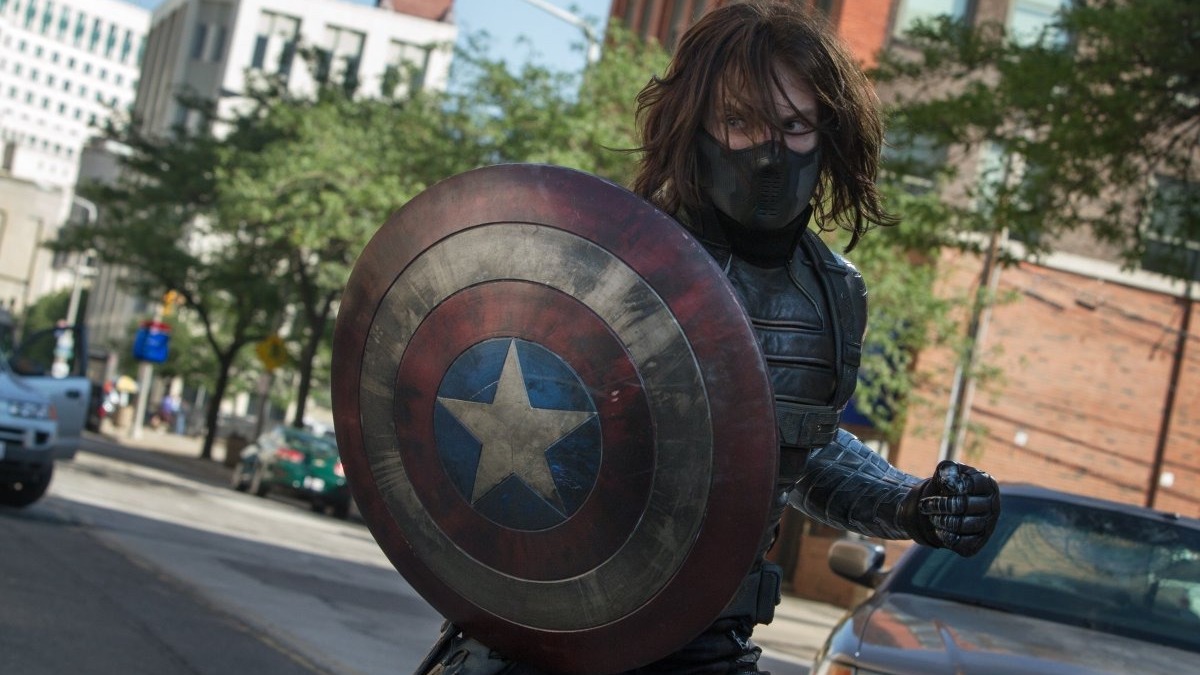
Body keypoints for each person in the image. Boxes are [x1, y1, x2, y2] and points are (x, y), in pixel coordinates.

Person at [423, 2, 1000, 673]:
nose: (768, 152)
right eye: (739, 122)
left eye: (793, 125)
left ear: (828, 131)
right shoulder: (605, 255)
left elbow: (794, 448)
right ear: (693, 124)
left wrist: (912, 502)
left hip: (707, 644)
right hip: (549, 635)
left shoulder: (834, 293)